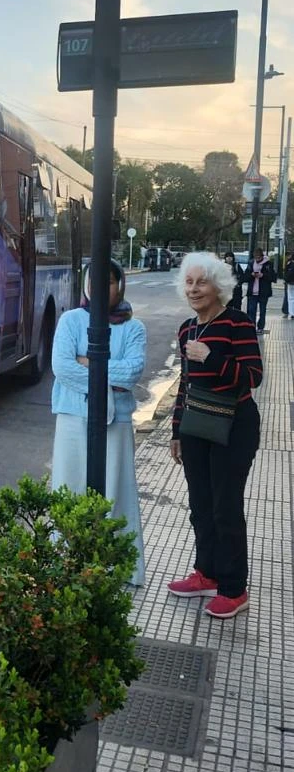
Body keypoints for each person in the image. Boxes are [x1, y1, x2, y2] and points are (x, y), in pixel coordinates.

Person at [168, 252, 262, 620]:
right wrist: (176, 432)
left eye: (201, 282)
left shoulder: (238, 323)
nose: (194, 289)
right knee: (201, 505)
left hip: (234, 426)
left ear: (218, 285)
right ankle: (206, 573)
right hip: (197, 426)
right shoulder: (187, 329)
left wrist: (211, 357)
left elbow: (253, 376)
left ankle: (234, 588)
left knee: (226, 507)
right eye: (189, 282)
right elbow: (185, 384)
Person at [51, 261, 146, 586]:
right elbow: (63, 368)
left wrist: (89, 362)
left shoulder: (133, 328)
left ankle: (115, 566)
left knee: (115, 489)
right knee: (69, 486)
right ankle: (65, 561)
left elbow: (131, 374)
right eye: (94, 279)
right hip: (72, 418)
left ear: (120, 285)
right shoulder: (71, 320)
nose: (100, 286)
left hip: (117, 422)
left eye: (109, 281)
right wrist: (108, 377)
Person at [243, 247, 274, 331]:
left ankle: (260, 327)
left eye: (259, 257)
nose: (257, 259)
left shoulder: (268, 264)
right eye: (256, 257)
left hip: (263, 292)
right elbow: (245, 277)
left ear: (262, 256)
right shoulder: (251, 263)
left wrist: (262, 275)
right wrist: (251, 275)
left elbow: (272, 277)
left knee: (262, 311)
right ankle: (252, 326)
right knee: (251, 310)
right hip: (252, 292)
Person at [283, 251, 294, 319]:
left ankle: (291, 313)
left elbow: (287, 274)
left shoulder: (290, 263)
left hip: (291, 283)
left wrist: (285, 280)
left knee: (291, 298)